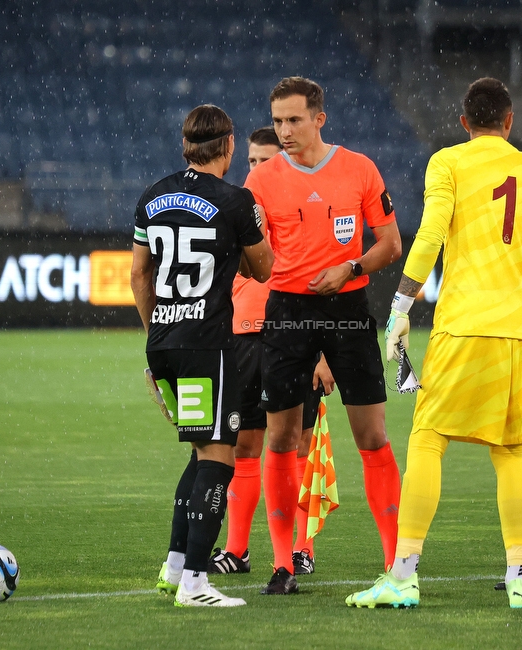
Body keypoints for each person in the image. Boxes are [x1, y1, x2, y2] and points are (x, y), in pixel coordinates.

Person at [345, 77, 522, 610]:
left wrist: (400, 305)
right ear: (509, 122)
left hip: (463, 324)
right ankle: (519, 577)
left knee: (427, 439)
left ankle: (403, 576)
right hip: (517, 331)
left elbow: (430, 234)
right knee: (510, 452)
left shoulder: (447, 162)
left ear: (465, 122)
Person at [244, 76, 403, 596]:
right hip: (287, 311)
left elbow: (390, 244)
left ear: (319, 119)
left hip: (348, 306)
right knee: (282, 438)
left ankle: (396, 565)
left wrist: (349, 266)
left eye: (293, 120)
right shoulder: (261, 181)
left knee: (371, 436)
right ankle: (284, 564)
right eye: (277, 121)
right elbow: (250, 255)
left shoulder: (359, 169)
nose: (284, 131)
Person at [129, 104, 273, 608]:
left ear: (186, 145)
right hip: (207, 346)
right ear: (229, 146)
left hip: (164, 343)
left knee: (198, 449)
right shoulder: (236, 202)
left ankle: (173, 566)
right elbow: (263, 269)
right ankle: (194, 582)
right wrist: (257, 227)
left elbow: (139, 275)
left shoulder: (152, 197)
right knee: (219, 458)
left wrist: (156, 336)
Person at [208, 126, 334, 577]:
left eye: (266, 161)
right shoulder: (236, 208)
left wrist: (323, 353)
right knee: (245, 443)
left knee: (296, 443)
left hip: (294, 334)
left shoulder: (303, 206)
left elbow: (322, 280)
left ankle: (302, 549)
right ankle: (237, 551)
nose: (257, 170)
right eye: (251, 161)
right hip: (242, 337)